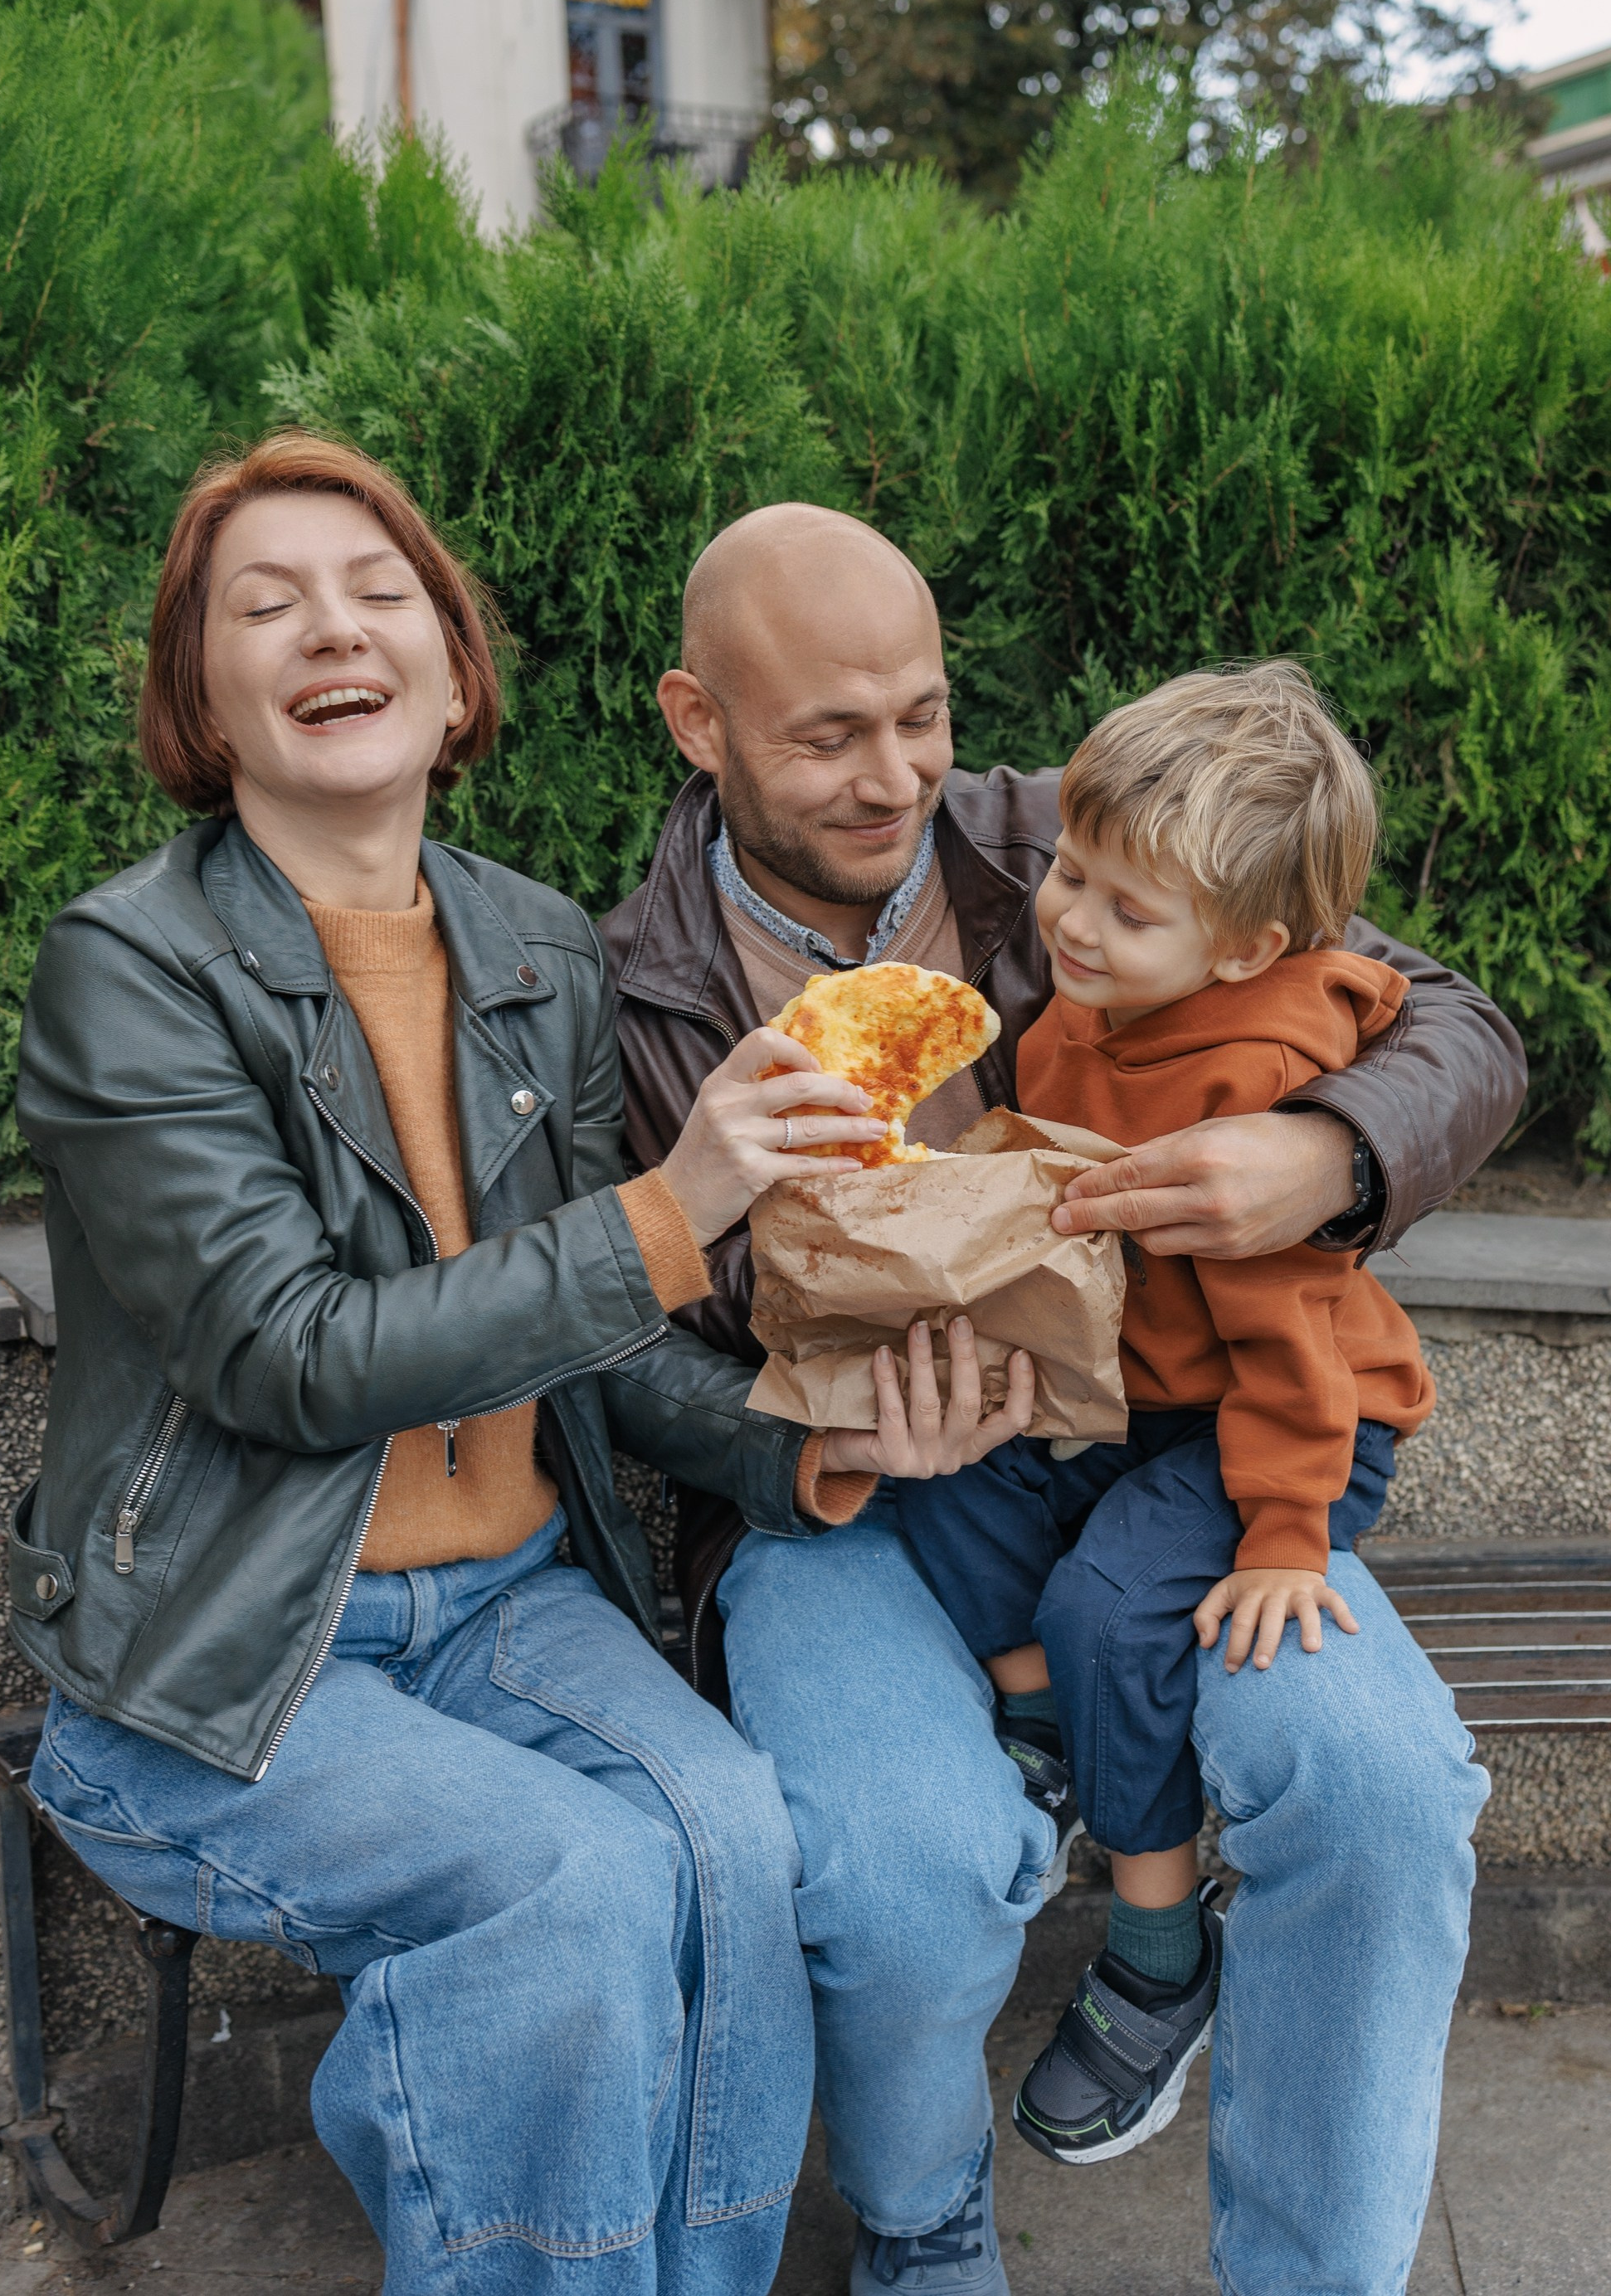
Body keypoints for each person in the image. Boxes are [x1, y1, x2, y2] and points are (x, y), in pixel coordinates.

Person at [9, 438, 1033, 2296]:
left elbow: (597, 1353)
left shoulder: (534, 950)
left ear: (452, 662)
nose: (337, 629)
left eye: (378, 592)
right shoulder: (129, 970)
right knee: (572, 1886)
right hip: (230, 1659)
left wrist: (819, 1446)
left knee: (730, 1839)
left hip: (507, 1605)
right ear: (204, 699)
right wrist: (680, 1200)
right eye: (269, 606)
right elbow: (285, 1357)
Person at [601, 503, 1526, 2296]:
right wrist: (813, 1445)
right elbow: (608, 1339)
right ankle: (924, 2226)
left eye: (923, 716)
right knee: (906, 1865)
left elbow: (1452, 1023)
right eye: (828, 736)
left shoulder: (1069, 839)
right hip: (857, 1503)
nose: (897, 779)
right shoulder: (617, 982)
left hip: (1185, 1446)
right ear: (698, 724)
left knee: (1379, 1789)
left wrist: (1325, 1152)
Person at [898, 664, 1476, 2177]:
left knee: (1108, 1608)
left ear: (1247, 949)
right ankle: (1042, 1719)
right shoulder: (1093, 1004)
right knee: (940, 1473)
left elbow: (1297, 1348)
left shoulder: (1249, 1085)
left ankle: (1159, 1953)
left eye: (1126, 908)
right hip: (1138, 1402)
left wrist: (1286, 1536)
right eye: (1071, 874)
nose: (1074, 922)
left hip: (1281, 1432)